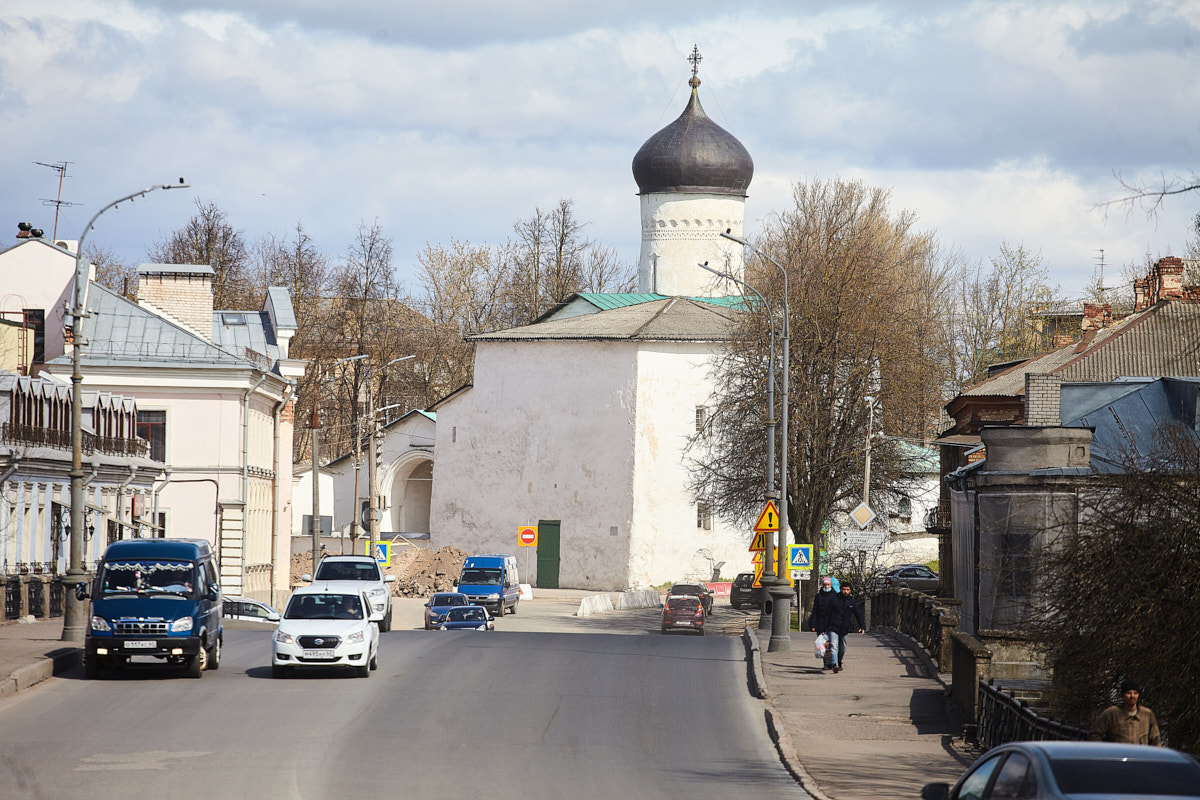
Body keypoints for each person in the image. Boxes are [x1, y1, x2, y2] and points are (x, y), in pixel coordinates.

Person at [1089, 677, 1161, 745]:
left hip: (1140, 757)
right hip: (1118, 756)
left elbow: (1155, 740)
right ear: (1123, 695)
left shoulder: (1147, 715)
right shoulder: (1112, 714)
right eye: (1129, 693)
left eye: (1135, 693)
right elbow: (1094, 734)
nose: (1132, 696)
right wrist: (1105, 751)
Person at [809, 575, 844, 671]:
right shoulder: (818, 596)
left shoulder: (835, 596)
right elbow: (815, 611)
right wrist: (813, 624)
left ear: (831, 585)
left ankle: (836, 663)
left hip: (833, 623)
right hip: (821, 623)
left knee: (833, 644)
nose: (826, 587)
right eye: (825, 585)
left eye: (828, 585)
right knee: (824, 645)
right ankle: (826, 663)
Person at [830, 582, 866, 672]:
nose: (845, 592)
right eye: (844, 589)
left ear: (850, 590)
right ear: (840, 589)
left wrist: (862, 626)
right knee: (834, 646)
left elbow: (858, 614)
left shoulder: (852, 601)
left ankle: (839, 661)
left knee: (843, 647)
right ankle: (835, 664)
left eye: (847, 590)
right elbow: (826, 613)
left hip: (845, 627)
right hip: (833, 626)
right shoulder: (834, 599)